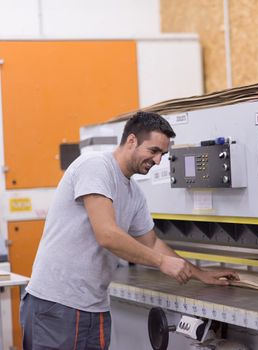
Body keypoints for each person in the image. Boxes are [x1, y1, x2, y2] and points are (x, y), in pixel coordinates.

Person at [20, 111, 238, 349]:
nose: (158, 161)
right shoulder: (95, 166)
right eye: (153, 151)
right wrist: (161, 262)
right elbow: (107, 235)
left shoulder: (134, 194)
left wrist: (200, 273)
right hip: (56, 305)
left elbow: (152, 242)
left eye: (162, 154)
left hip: (95, 308)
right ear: (132, 141)